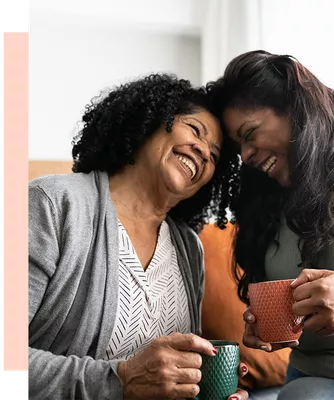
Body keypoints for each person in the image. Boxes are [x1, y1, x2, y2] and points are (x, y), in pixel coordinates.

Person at [28, 73, 249, 400]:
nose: (202, 151)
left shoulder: (189, 248)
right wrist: (120, 380)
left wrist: (203, 388)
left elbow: (176, 373)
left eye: (214, 156)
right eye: (194, 130)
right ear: (149, 121)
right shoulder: (53, 203)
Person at [206, 50, 334, 399]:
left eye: (250, 133)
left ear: (295, 104)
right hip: (319, 382)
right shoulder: (265, 201)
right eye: (238, 148)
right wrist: (266, 323)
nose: (247, 156)